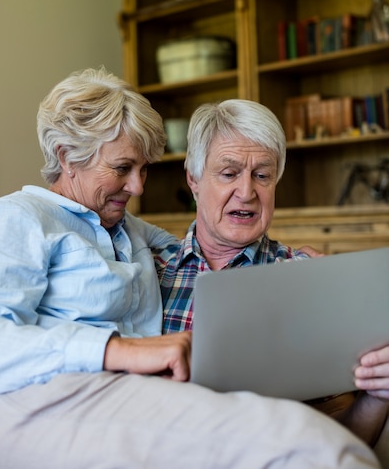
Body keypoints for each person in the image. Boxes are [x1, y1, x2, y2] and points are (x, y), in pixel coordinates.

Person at [0, 68, 378, 469]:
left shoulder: (131, 234)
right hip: (48, 402)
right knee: (308, 446)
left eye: (144, 169)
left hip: (140, 413)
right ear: (66, 157)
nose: (138, 187)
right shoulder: (20, 217)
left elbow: (207, 242)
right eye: (121, 168)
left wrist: (311, 273)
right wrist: (124, 350)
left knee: (311, 443)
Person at [155, 98, 389, 452]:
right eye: (229, 173)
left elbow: (338, 445)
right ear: (194, 179)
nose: (247, 193)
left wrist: (378, 396)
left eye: (262, 175)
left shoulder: (308, 280)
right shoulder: (147, 271)